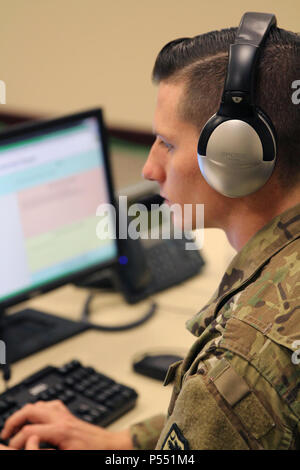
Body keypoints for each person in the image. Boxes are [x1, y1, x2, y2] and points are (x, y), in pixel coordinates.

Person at [1, 12, 299, 450]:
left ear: (236, 155)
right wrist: (126, 440)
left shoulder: (241, 360)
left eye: (169, 143)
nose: (149, 168)